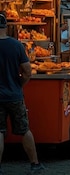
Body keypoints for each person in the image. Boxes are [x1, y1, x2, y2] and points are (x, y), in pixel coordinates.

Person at [0, 12, 45, 174]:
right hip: (14, 95)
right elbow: (27, 71)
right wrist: (19, 85)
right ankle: (34, 163)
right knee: (24, 129)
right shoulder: (16, 45)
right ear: (6, 27)